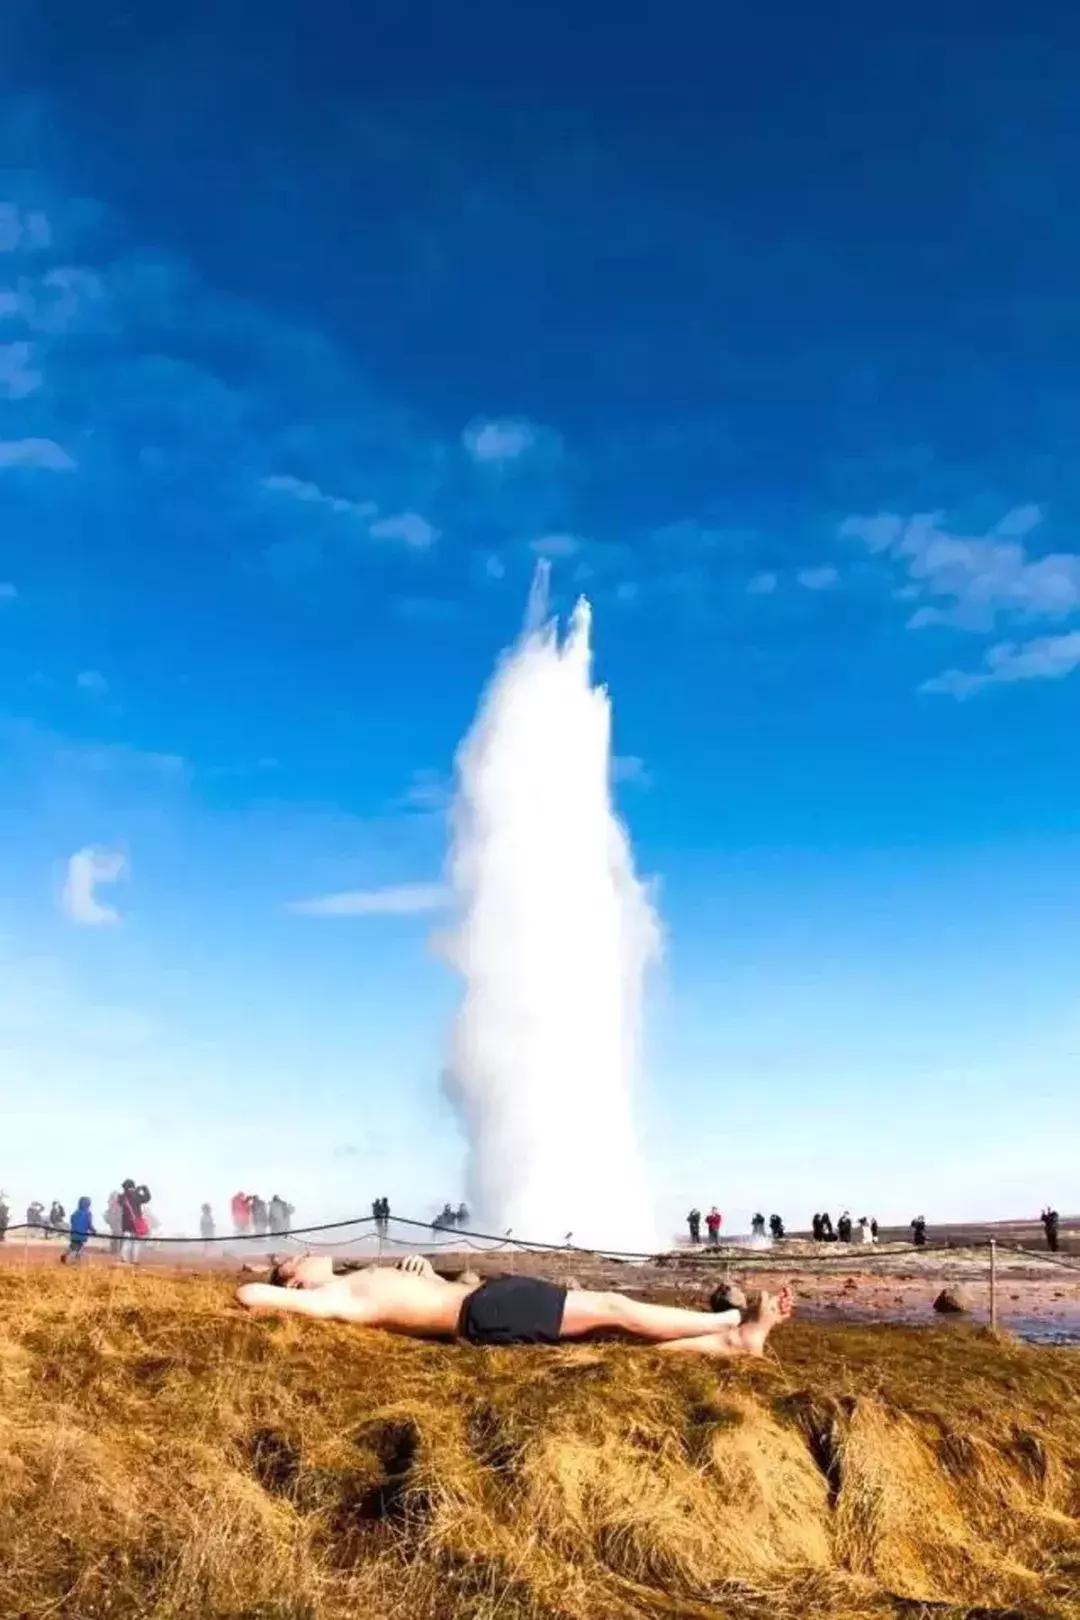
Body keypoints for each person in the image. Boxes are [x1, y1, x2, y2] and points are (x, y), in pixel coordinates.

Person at [236, 1253, 794, 1359]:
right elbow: (248, 1294)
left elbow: (420, 1297)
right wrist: (285, 1294)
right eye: (297, 1259)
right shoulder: (334, 1296)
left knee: (610, 1330)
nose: (307, 1254)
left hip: (485, 1301)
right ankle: (728, 1324)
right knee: (614, 1306)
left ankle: (728, 1340)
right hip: (485, 1312)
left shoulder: (356, 1279)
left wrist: (427, 1273)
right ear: (294, 1281)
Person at [120, 1179, 151, 1263]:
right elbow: (147, 1198)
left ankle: (124, 1258)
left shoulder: (122, 1196)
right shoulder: (136, 1195)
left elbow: (120, 1201)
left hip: (126, 1224)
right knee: (136, 1243)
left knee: (126, 1242)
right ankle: (134, 1260)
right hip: (136, 1223)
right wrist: (144, 1189)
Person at [62, 1196, 95, 1264]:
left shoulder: (76, 1212)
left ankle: (65, 1253)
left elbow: (72, 1220)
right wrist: (94, 1231)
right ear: (88, 1205)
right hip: (82, 1235)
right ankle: (75, 1260)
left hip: (74, 1233)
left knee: (72, 1246)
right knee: (80, 1248)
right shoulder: (88, 1214)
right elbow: (89, 1224)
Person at [105, 1192, 123, 1257]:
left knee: (118, 1240)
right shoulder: (112, 1208)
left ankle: (118, 1252)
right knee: (115, 1240)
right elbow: (109, 1220)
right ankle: (115, 1252)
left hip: (119, 1228)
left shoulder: (120, 1207)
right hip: (116, 1228)